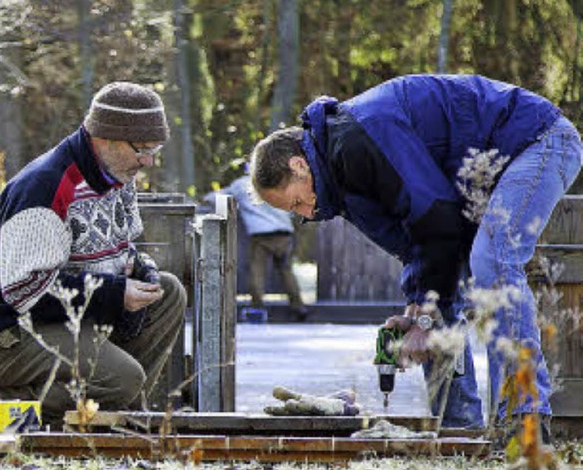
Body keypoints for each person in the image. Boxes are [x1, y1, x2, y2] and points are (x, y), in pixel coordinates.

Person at [249, 74, 583, 433]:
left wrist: (426, 313)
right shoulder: (341, 184)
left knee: (493, 258)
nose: (306, 214)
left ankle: (524, 416)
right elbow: (418, 247)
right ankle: (460, 430)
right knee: (437, 302)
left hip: (538, 140)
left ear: (298, 165)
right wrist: (417, 308)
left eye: (298, 201)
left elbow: (436, 217)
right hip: (477, 185)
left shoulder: (356, 140)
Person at [0, 81, 187, 428]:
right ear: (105, 137)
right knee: (123, 378)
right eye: (141, 149)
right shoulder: (45, 186)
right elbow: (25, 292)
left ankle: (118, 410)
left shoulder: (118, 177)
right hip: (6, 335)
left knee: (168, 292)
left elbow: (124, 248)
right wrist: (113, 293)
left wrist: (142, 270)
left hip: (66, 322)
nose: (148, 161)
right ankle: (2, 403)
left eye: (154, 149)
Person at [222, 169, 308, 322]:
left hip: (260, 234)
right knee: (285, 271)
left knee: (257, 271)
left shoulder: (241, 184)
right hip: (283, 232)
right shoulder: (277, 180)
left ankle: (258, 307)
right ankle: (298, 306)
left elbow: (221, 196)